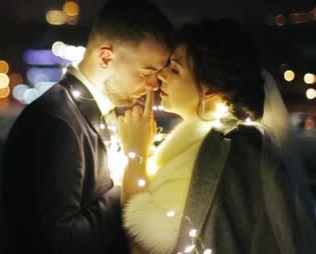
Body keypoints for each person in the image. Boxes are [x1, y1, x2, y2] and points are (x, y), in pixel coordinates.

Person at [117, 19, 316, 254]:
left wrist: (135, 154)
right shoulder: (233, 141)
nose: (162, 76)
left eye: (175, 69)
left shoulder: (212, 153)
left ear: (209, 89)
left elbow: (142, 247)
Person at [1, 0, 173, 253]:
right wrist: (129, 180)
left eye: (158, 75)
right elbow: (59, 243)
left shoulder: (92, 112)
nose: (153, 86)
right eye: (147, 72)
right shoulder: (58, 124)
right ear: (105, 58)